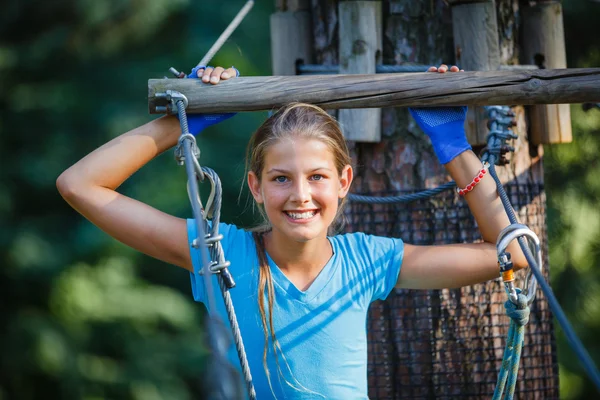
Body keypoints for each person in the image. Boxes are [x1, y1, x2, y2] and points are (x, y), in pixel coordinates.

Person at [57, 64, 527, 399]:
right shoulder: (223, 256)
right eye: (281, 178)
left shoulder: (367, 261)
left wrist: (453, 145)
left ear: (344, 183)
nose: (300, 195)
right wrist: (180, 123)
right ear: (256, 187)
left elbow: (511, 252)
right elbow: (80, 185)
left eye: (317, 177)